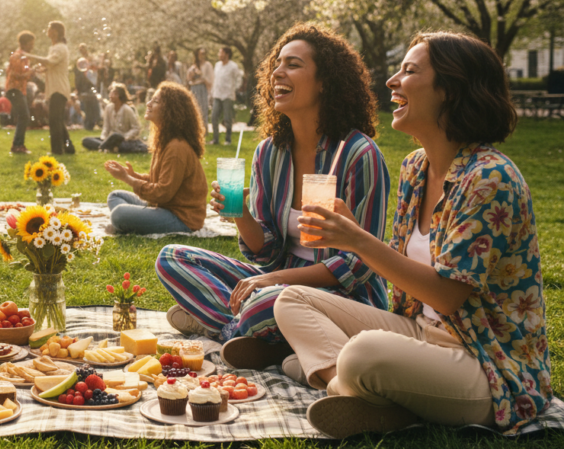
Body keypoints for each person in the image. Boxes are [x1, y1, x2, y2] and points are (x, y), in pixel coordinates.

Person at [273, 32, 549, 438]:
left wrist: (358, 241)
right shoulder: (415, 168)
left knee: (362, 354)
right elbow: (410, 285)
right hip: (420, 332)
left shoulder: (490, 177)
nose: (391, 81)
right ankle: (356, 388)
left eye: (410, 70)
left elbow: (446, 295)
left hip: (484, 363)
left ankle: (345, 381)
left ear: (450, 90)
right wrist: (355, 237)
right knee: (290, 299)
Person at [155, 24, 390, 363]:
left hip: (345, 295)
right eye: (277, 64)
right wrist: (242, 216)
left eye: (293, 64)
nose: (277, 71)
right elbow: (266, 251)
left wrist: (274, 281)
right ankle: (255, 333)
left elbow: (359, 264)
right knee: (172, 258)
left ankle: (229, 327)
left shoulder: (358, 154)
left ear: (325, 82)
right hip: (278, 280)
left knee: (266, 302)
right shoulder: (270, 153)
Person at [103, 82, 208, 235]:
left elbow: (162, 193)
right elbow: (160, 181)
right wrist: (134, 175)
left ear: (170, 111)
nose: (148, 104)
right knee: (115, 196)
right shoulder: (166, 140)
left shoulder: (177, 148)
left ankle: (127, 223)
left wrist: (127, 178)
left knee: (119, 214)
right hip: (163, 207)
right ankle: (133, 222)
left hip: (182, 218)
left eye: (156, 101)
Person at [24, 21, 74, 154]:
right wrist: (41, 69)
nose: (47, 30)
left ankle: (57, 150)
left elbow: (51, 61)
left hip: (59, 88)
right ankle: (69, 148)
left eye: (49, 28)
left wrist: (29, 56)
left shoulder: (60, 47)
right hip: (56, 88)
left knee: (54, 120)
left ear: (56, 31)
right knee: (57, 119)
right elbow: (51, 65)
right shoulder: (55, 47)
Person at [82, 83, 147, 154]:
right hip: (111, 139)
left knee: (116, 136)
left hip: (124, 139)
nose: (110, 95)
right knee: (86, 140)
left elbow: (136, 128)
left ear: (119, 95)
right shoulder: (108, 108)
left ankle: (104, 147)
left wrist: (126, 137)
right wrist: (103, 138)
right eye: (110, 93)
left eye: (113, 93)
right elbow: (106, 127)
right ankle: (107, 147)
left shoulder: (127, 109)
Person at [5, 32, 35, 154]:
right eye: (30, 44)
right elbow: (13, 74)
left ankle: (18, 145)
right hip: (14, 89)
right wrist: (29, 73)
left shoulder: (24, 57)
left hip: (19, 89)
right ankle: (17, 145)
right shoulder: (17, 56)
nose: (32, 46)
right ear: (24, 44)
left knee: (24, 116)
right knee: (24, 116)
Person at [210, 46, 243, 145]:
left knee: (228, 119)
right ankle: (215, 139)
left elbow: (239, 78)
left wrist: (235, 89)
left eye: (221, 53)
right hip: (217, 94)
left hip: (227, 95)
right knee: (214, 117)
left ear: (226, 54)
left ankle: (228, 139)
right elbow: (215, 80)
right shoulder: (217, 65)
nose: (219, 55)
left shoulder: (233, 66)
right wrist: (212, 93)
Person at [76, 46, 100, 130]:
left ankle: (92, 123)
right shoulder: (80, 65)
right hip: (84, 90)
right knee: (87, 108)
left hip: (91, 90)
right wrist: (78, 91)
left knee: (92, 107)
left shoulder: (90, 62)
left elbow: (95, 75)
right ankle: (88, 125)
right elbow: (78, 80)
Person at [187, 48, 213, 127]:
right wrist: (192, 75)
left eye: (204, 53)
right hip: (194, 88)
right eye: (200, 53)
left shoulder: (207, 65)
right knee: (194, 109)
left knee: (203, 110)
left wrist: (201, 74)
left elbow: (210, 79)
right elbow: (189, 79)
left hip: (202, 88)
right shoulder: (193, 66)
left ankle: (204, 130)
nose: (202, 56)